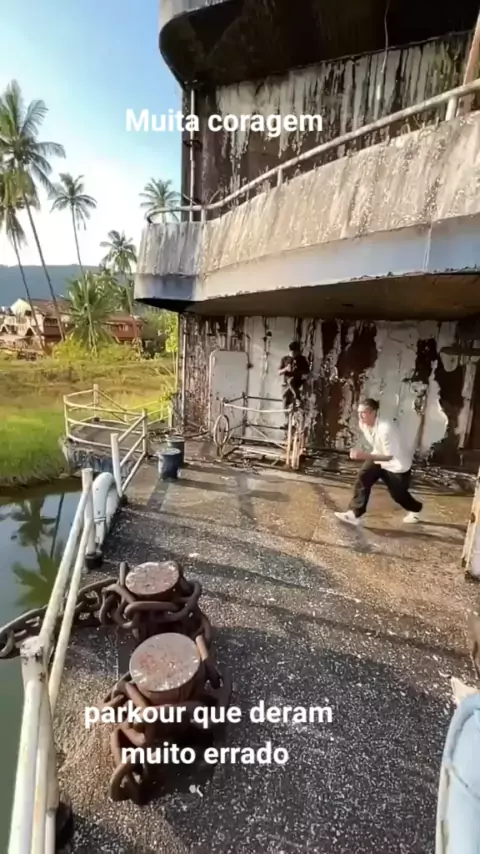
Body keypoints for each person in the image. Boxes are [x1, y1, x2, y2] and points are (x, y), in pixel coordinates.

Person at [334, 398, 423, 526]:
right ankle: (354, 513)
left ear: (373, 413)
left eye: (363, 413)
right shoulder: (363, 424)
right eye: (359, 412)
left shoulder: (386, 429)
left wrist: (364, 455)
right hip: (378, 457)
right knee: (364, 476)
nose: (360, 416)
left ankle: (416, 509)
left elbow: (389, 457)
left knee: (398, 495)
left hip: (396, 465)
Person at [278, 342, 310, 411]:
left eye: (297, 353)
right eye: (294, 352)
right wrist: (286, 369)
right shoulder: (285, 359)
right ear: (291, 351)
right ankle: (287, 415)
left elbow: (307, 371)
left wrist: (298, 371)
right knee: (285, 404)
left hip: (297, 382)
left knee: (291, 381)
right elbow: (279, 372)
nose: (296, 354)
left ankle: (298, 400)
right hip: (287, 385)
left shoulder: (302, 359)